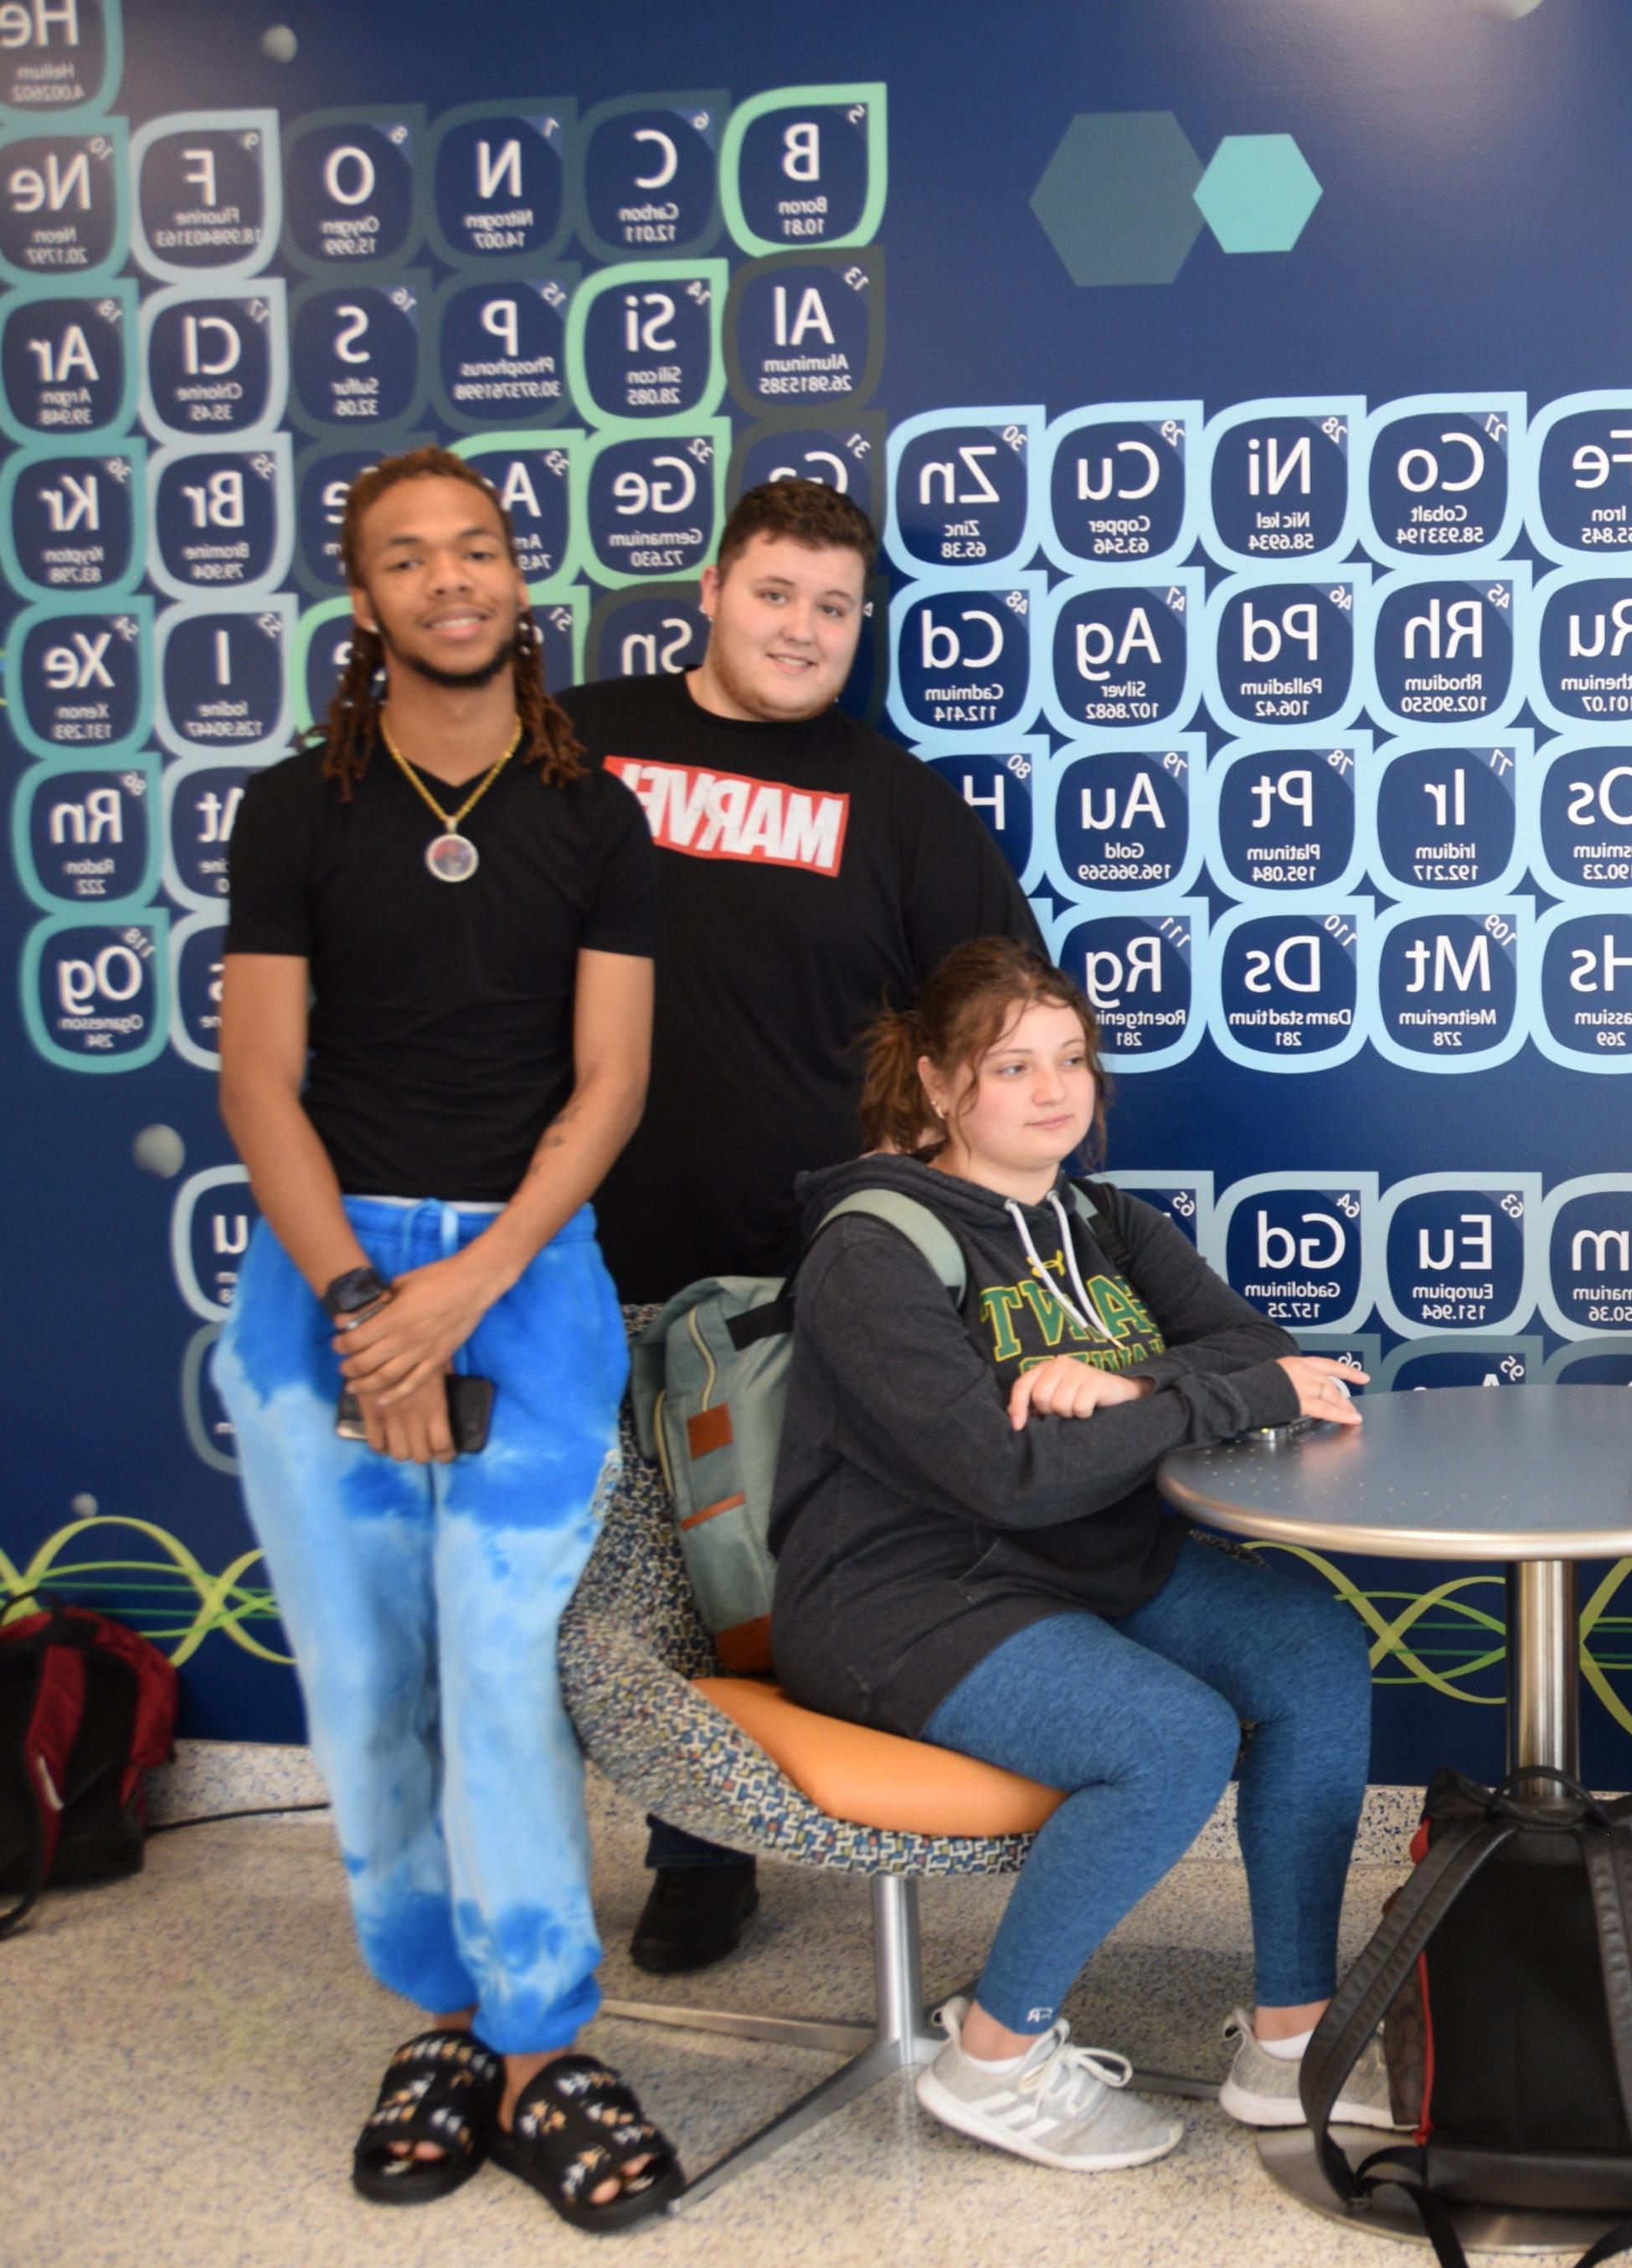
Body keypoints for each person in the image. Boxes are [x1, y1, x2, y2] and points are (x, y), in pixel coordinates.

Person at [214, 448, 684, 2229]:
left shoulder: (595, 818)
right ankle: (441, 2022)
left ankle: (544, 2047)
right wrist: (360, 1311)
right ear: (366, 603)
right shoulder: (296, 806)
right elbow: (260, 1081)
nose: (448, 581)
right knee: (371, 1681)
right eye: (406, 560)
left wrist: (463, 1292)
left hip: (525, 1271)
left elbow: (612, 1083)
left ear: (517, 577)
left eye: (473, 549)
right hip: (320, 1281)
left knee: (498, 1666)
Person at [769, 938, 1387, 2173]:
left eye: (1072, 1061)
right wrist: (1202, 1393)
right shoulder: (871, 1248)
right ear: (942, 1086)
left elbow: (1262, 1350)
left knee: (1312, 1650)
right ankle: (993, 2056)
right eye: (1012, 1066)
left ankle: (1290, 2036)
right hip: (907, 1597)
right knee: (1168, 1735)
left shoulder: (1103, 1219)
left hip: (1087, 1567)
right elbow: (1005, 1477)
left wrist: (1121, 1379)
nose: (1054, 1092)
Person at [555, 476, 1042, 1977]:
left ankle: (707, 1857)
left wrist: (933, 1167)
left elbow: (1000, 1009)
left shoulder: (891, 800)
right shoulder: (579, 743)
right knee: (582, 1587)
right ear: (710, 591)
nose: (803, 627)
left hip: (790, 1286)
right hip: (564, 1256)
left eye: (836, 607)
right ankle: (512, 1883)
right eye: (776, 593)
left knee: (741, 1579)